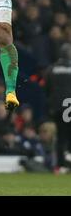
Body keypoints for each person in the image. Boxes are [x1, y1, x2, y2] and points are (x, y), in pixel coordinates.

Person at [45, 43, 71, 171]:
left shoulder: (51, 69)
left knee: (61, 136)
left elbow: (47, 89)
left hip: (57, 107)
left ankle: (60, 165)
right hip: (70, 106)